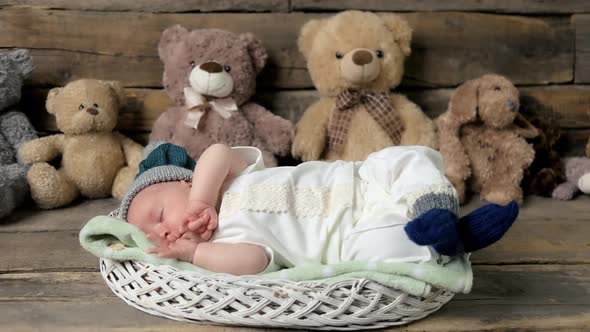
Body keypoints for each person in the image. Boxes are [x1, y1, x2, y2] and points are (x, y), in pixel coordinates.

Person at [119, 143, 518, 275]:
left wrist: (201, 201)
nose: (163, 232)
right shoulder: (227, 240)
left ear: (184, 181)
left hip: (360, 181)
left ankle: (437, 210)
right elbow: (255, 261)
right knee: (378, 250)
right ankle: (453, 238)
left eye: (158, 217)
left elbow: (215, 152)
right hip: (350, 235)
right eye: (155, 238)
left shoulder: (229, 178)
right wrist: (194, 253)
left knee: (403, 158)